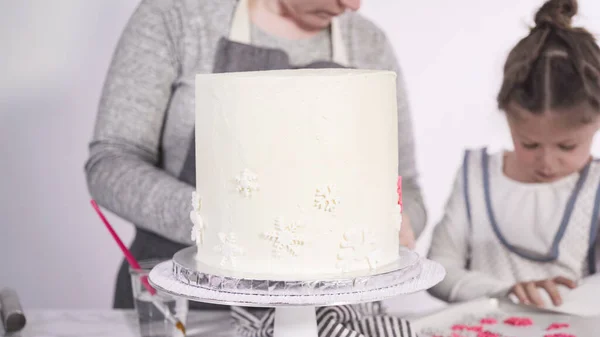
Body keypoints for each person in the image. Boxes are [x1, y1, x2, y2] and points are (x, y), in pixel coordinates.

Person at [85, 0, 426, 311]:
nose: (353, 5)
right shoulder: (179, 15)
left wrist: (392, 224)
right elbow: (111, 162)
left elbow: (406, 186)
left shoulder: (369, 42)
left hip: (333, 316)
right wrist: (225, 226)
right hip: (184, 308)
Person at [428, 0, 600, 308]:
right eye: (530, 144)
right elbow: (438, 271)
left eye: (567, 147)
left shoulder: (595, 188)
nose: (547, 162)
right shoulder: (475, 176)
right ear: (507, 117)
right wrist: (504, 291)